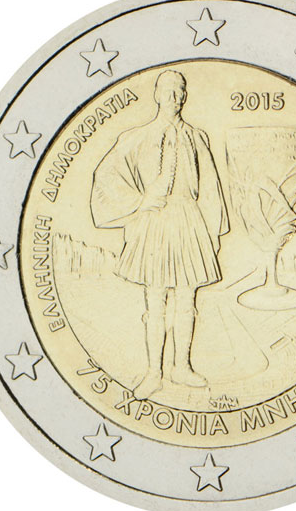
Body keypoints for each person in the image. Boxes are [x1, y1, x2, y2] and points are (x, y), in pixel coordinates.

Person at [90, 70, 229, 399]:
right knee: (155, 299)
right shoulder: (136, 136)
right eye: (168, 90)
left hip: (189, 220)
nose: (174, 97)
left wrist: (212, 230)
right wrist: (139, 202)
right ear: (156, 94)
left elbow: (210, 186)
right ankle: (154, 373)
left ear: (185, 96)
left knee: (187, 298)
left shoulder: (197, 137)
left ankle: (182, 367)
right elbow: (105, 174)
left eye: (179, 90)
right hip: (153, 221)